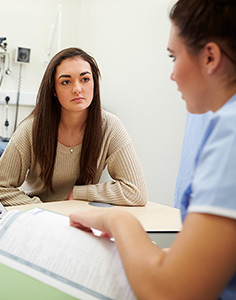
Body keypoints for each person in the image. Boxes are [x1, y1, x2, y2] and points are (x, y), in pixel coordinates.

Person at [69, 1, 236, 299]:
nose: (172, 74)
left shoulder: (230, 130)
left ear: (210, 57)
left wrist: (117, 220)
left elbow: (170, 291)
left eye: (174, 57)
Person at [0, 47, 147, 207]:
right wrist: (43, 209)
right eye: (66, 82)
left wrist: (79, 193)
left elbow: (136, 192)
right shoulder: (31, 129)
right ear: (54, 91)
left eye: (85, 79)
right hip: (40, 220)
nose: (77, 89)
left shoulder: (110, 126)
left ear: (95, 83)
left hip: (82, 219)